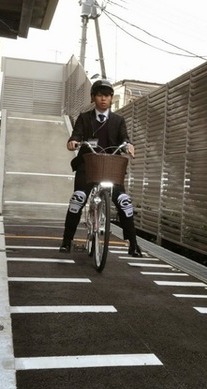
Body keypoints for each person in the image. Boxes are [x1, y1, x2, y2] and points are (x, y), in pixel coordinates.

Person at [59, 79, 142, 257]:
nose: (103, 99)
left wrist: (128, 145)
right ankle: (67, 240)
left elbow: (124, 138)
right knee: (78, 198)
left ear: (111, 98)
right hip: (87, 166)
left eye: (107, 95)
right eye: (99, 95)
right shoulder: (84, 118)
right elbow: (76, 134)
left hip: (111, 167)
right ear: (93, 98)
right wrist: (73, 141)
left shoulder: (118, 120)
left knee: (124, 202)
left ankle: (133, 244)